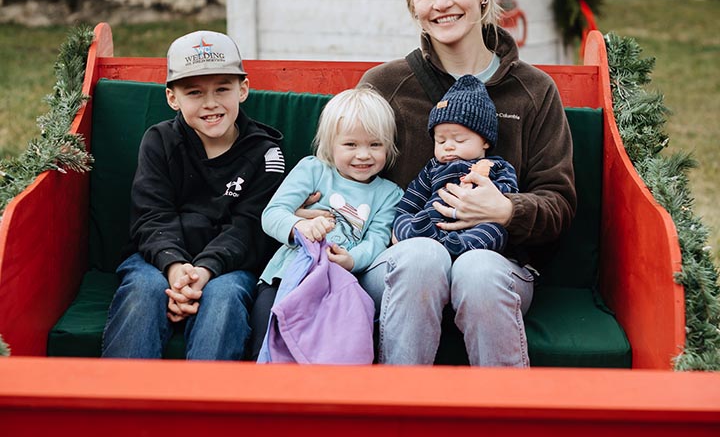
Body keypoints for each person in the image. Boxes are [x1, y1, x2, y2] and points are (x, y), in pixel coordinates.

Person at [358, 0, 577, 368]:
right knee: (423, 257)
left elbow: (559, 203)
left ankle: (503, 427)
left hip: (497, 265)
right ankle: (400, 420)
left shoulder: (533, 91)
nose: (441, 3)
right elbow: (345, 176)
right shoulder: (385, 87)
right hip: (403, 261)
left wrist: (505, 210)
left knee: (476, 270)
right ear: (413, 8)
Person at [102, 30, 285, 360]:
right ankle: (123, 402)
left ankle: (205, 405)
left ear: (243, 89)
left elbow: (249, 228)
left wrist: (204, 271)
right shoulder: (159, 141)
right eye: (195, 92)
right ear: (173, 98)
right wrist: (175, 268)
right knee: (144, 290)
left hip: (229, 267)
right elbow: (152, 216)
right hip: (157, 260)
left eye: (222, 89)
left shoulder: (266, 153)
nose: (211, 103)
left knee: (225, 298)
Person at [250, 87, 402, 358]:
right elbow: (273, 213)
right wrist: (300, 226)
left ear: (388, 146)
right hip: (285, 276)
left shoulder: (389, 193)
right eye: (351, 145)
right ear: (331, 144)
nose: (363, 155)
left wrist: (351, 259)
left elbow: (377, 239)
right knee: (268, 341)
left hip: (336, 287)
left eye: (375, 144)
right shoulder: (314, 170)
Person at [394, 73, 518, 257]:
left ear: (485, 141)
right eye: (441, 141)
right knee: (403, 220)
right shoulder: (433, 168)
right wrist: (404, 222)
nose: (449, 146)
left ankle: (461, 246)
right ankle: (421, 236)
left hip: (474, 227)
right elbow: (412, 201)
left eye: (459, 139)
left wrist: (488, 189)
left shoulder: (497, 166)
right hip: (432, 226)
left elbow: (509, 193)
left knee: (496, 231)